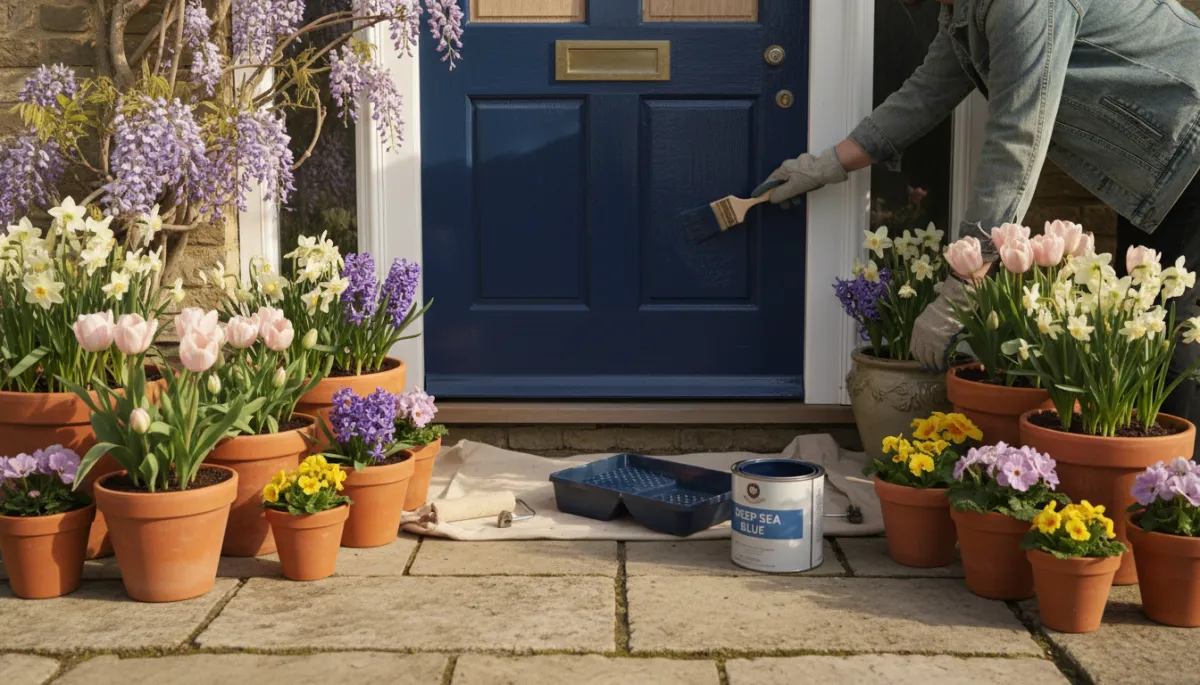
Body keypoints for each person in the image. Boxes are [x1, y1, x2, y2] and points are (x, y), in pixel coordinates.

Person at [765, 0, 1200, 446]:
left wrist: (962, 284)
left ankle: (1176, 491)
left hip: (1190, 139)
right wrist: (826, 166)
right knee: (1153, 316)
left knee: (1173, 322)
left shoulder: (1022, 5)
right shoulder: (963, 10)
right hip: (1162, 163)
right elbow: (921, 97)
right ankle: (1162, 485)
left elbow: (1017, 139)